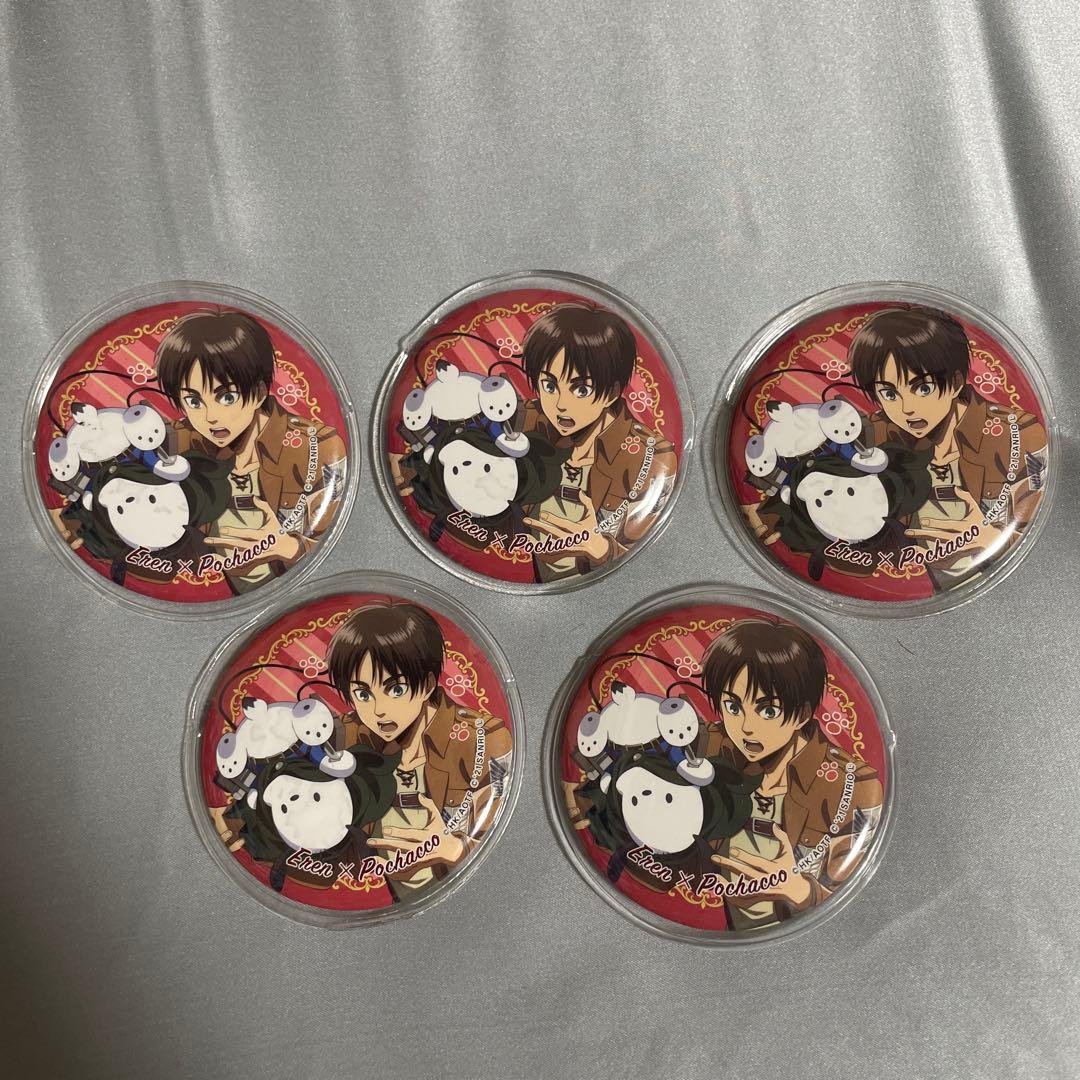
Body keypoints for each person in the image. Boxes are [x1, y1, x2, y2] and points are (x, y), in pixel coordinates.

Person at [701, 619, 883, 932]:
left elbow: (857, 893)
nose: (746, 728)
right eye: (732, 706)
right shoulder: (710, 746)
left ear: (802, 714)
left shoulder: (854, 785)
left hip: (810, 940)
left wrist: (799, 891)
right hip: (718, 935)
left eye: (768, 710)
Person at [849, 306, 1049, 588]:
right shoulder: (876, 434)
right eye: (890, 394)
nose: (907, 409)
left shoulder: (1016, 434)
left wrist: (988, 538)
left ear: (955, 382)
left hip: (1011, 587)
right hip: (921, 592)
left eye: (923, 388)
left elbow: (1046, 537)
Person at [325, 601, 513, 899]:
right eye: (362, 694)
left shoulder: (483, 738)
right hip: (379, 900)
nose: (379, 710)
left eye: (395, 689)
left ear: (426, 684)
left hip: (472, 895)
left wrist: (457, 848)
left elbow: (514, 829)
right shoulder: (344, 736)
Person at [156, 309, 347, 593]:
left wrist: (288, 547)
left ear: (258, 392)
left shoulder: (317, 447)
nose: (211, 417)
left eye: (227, 397)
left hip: (300, 592)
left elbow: (339, 544)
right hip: (217, 596)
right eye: (194, 402)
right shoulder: (178, 441)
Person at [518, 303, 678, 583]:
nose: (561, 405)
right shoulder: (528, 420)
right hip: (535, 587)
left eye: (581, 389)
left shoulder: (652, 458)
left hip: (603, 592)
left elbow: (650, 565)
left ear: (612, 392)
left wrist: (600, 549)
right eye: (550, 385)